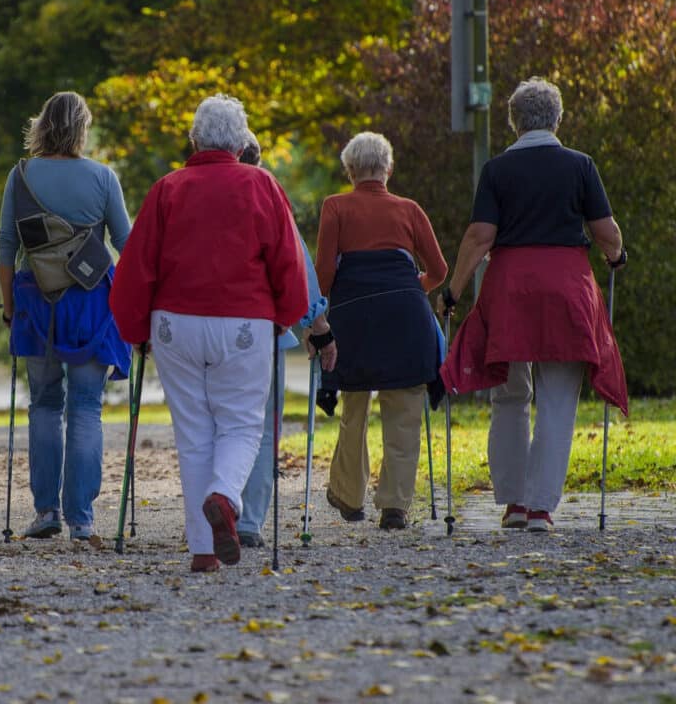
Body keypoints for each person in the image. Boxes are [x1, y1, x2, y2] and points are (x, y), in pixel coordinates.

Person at [110, 94, 318, 573]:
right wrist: (287, 315)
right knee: (243, 423)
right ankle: (225, 497)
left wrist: (134, 328)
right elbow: (286, 261)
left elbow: (137, 266)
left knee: (194, 431)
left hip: (174, 323)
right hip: (244, 320)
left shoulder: (167, 189)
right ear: (243, 142)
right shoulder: (261, 184)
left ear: (194, 139)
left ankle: (203, 550)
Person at [437, 77, 628, 532]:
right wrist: (617, 256)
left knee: (509, 392)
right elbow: (605, 231)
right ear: (557, 119)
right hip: (567, 288)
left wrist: (453, 291)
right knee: (559, 396)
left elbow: (480, 237)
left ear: (514, 122)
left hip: (510, 288)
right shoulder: (580, 165)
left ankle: (514, 503)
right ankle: (542, 507)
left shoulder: (497, 170)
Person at [0, 91, 132, 542]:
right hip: (92, 301)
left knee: (44, 404)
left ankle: (45, 510)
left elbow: (5, 247)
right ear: (82, 128)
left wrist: (10, 308)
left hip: (36, 300)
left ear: (42, 125)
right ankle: (82, 518)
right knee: (87, 407)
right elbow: (126, 245)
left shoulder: (20, 177)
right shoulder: (103, 177)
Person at [316, 131, 447, 531]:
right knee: (405, 411)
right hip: (406, 320)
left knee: (354, 408)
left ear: (350, 170)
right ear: (388, 169)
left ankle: (349, 495)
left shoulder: (335, 207)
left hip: (354, 321)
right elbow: (439, 271)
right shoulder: (409, 209)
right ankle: (394, 506)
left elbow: (324, 274)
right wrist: (409, 290)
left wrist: (318, 319)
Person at [236, 132, 333, 548]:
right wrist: (319, 329)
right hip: (264, 331)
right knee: (261, 427)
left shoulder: (189, 194)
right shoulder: (268, 197)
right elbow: (298, 267)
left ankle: (216, 508)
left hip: (200, 330)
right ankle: (249, 520)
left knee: (216, 426)